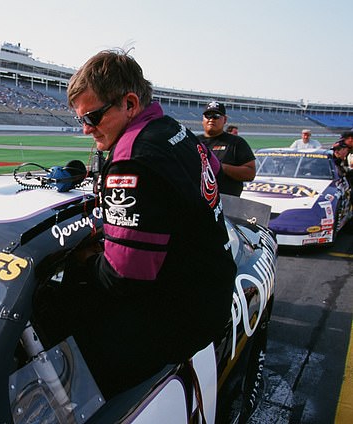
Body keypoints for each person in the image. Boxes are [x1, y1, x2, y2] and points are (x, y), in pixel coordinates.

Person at [48, 49, 236, 399]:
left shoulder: (132, 161)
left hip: (182, 313)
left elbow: (122, 276)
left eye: (92, 117)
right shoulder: (174, 127)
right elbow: (213, 168)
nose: (87, 129)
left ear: (129, 104)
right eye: (81, 120)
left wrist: (83, 261)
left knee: (63, 329)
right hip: (212, 286)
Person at [198, 101, 256, 196]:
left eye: (216, 116)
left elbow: (250, 173)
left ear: (225, 120)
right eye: (208, 116)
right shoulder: (193, 142)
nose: (211, 119)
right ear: (203, 119)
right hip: (197, 202)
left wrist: (220, 167)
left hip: (227, 203)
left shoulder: (236, 143)